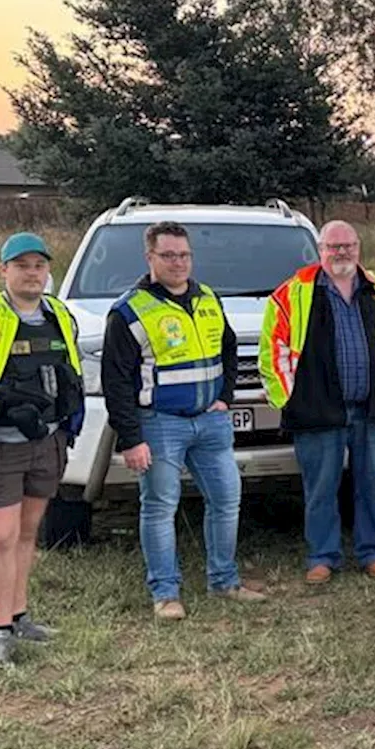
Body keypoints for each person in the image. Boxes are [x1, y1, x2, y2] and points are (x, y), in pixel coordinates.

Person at [103, 221, 265, 619]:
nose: (178, 262)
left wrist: (225, 398)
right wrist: (131, 438)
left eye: (184, 254)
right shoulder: (129, 311)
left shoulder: (207, 297)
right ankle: (165, 594)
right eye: (169, 255)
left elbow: (229, 349)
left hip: (210, 423)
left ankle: (224, 582)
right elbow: (116, 381)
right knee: (159, 507)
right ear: (150, 258)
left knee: (227, 499)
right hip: (160, 424)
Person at [260, 220, 375, 584]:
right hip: (317, 410)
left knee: (374, 484)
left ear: (358, 248)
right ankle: (322, 556)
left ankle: (373, 552)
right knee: (320, 488)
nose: (341, 253)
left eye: (347, 246)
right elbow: (273, 352)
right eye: (333, 247)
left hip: (373, 407)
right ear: (320, 251)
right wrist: (288, 399)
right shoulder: (291, 294)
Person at [0, 233, 83, 667]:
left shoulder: (60, 314)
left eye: (39, 265)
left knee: (27, 532)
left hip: (48, 441)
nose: (32, 273)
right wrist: (2, 407)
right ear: (3, 270)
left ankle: (19, 615)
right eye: (21, 265)